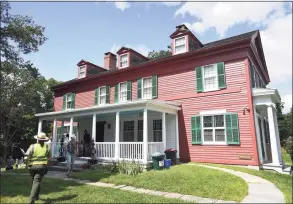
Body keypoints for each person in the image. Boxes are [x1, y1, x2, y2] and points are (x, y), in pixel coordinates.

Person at [23, 132, 51, 204]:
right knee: (36, 182)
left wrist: (26, 162)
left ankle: (33, 198)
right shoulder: (47, 147)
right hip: (42, 167)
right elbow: (49, 158)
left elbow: (26, 156)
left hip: (32, 167)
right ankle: (34, 198)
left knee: (35, 181)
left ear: (37, 140)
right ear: (44, 140)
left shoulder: (32, 146)